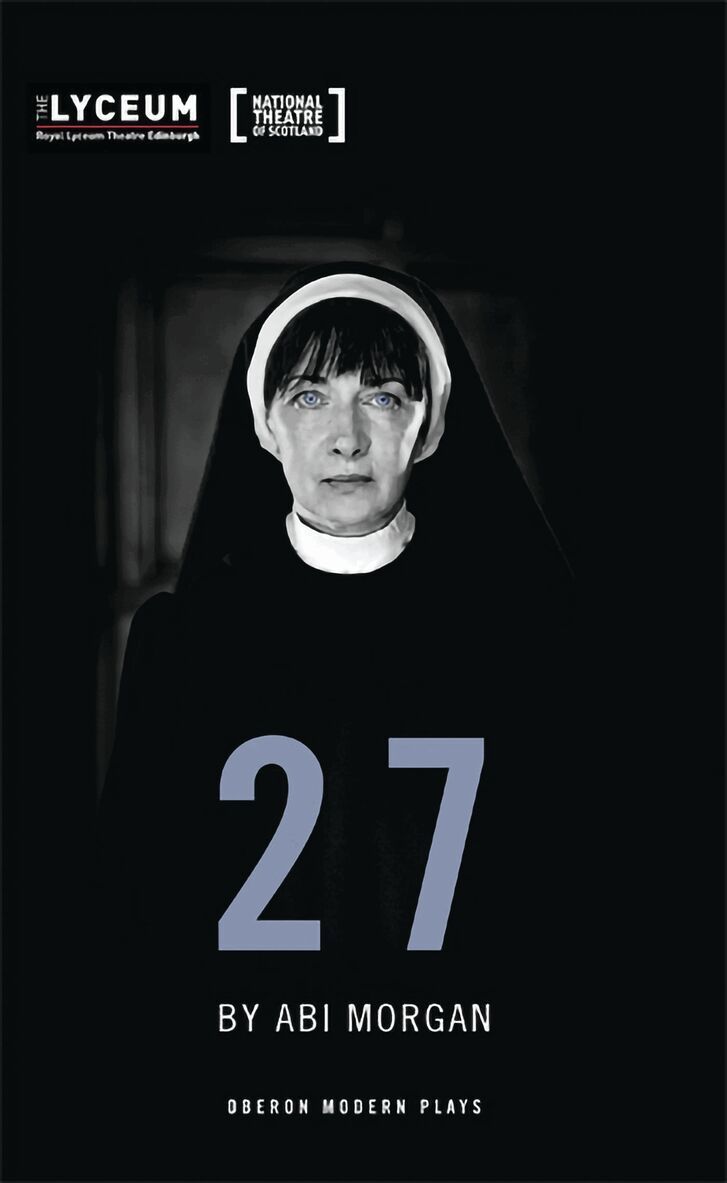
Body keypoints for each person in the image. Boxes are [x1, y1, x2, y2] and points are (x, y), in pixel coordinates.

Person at [95, 262, 575, 1179]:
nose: (347, 436)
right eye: (310, 395)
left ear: (429, 428)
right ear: (264, 425)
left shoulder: (526, 642)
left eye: (383, 397)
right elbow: (132, 930)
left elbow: (570, 925)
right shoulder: (182, 643)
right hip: (238, 1109)